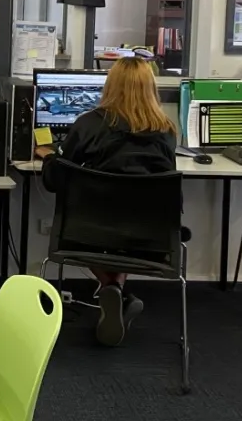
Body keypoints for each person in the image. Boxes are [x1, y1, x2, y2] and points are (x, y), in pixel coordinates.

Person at [35, 57, 176, 347]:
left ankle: (111, 287)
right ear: (151, 88)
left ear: (110, 86)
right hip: (151, 238)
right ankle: (116, 292)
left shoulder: (89, 124)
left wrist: (48, 156)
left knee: (104, 224)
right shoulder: (167, 131)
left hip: (87, 234)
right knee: (124, 222)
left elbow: (54, 180)